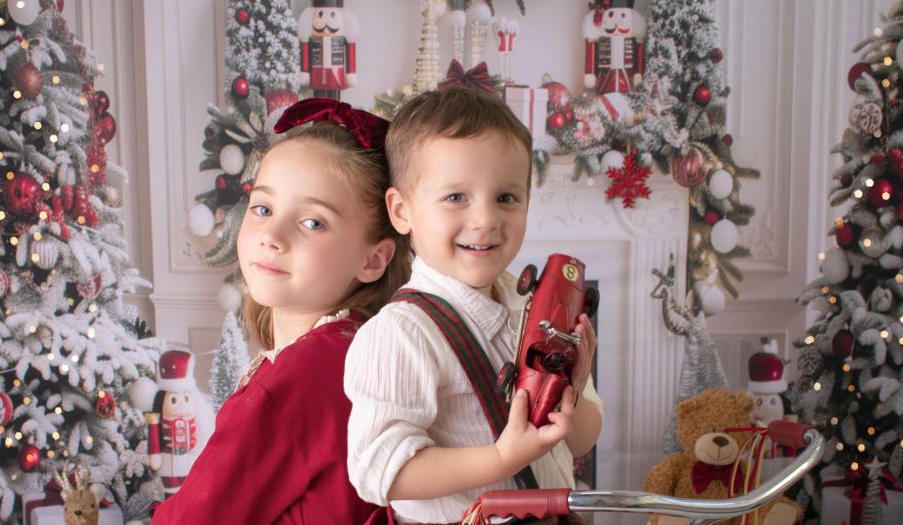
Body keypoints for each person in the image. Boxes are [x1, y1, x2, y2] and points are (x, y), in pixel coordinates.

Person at [345, 87, 603, 524]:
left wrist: (570, 398)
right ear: (402, 210)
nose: (485, 220)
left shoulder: (535, 310)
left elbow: (580, 442)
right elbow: (378, 473)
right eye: (455, 197)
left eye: (506, 198)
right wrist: (501, 459)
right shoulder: (400, 334)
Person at [153, 98, 409, 524]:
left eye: (313, 222)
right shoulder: (360, 348)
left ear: (373, 259)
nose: (272, 234)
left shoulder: (297, 378)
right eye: (263, 208)